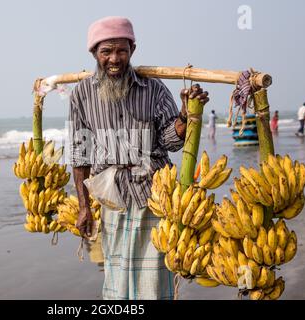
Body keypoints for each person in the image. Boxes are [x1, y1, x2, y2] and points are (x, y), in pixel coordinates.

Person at [69, 16, 209, 300]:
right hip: (112, 197)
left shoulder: (154, 89)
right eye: (106, 51)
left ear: (132, 50)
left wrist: (184, 115)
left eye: (121, 50)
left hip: (154, 194)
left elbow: (170, 142)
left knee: (154, 281)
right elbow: (79, 152)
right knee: (117, 279)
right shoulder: (81, 94)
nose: (114, 59)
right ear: (94, 54)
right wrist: (84, 206)